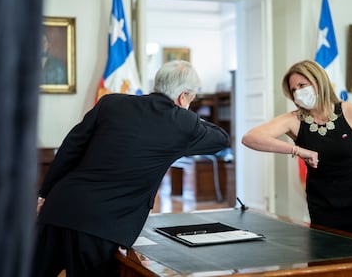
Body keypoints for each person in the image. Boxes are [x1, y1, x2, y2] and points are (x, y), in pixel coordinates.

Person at [32, 60, 230, 277]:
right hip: (102, 225)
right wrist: (188, 113)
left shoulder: (111, 103)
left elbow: (70, 148)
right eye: (191, 97)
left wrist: (44, 194)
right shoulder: (183, 123)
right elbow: (221, 139)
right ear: (183, 96)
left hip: (59, 208)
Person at [242, 60, 352, 237]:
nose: (298, 92)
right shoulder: (294, 120)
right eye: (293, 90)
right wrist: (298, 150)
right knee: (323, 258)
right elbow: (250, 138)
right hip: (322, 204)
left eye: (302, 85)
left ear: (318, 82)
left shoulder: (351, 112)